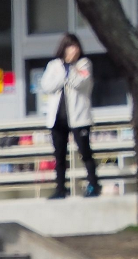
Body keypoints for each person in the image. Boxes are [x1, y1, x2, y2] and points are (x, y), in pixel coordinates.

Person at [41, 34, 100, 199]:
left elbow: (80, 82)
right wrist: (63, 72)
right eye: (70, 46)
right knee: (59, 155)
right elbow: (47, 86)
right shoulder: (54, 65)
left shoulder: (84, 64)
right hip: (57, 118)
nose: (73, 50)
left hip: (79, 117)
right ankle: (60, 189)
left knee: (85, 152)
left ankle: (94, 185)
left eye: (76, 47)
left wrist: (71, 68)